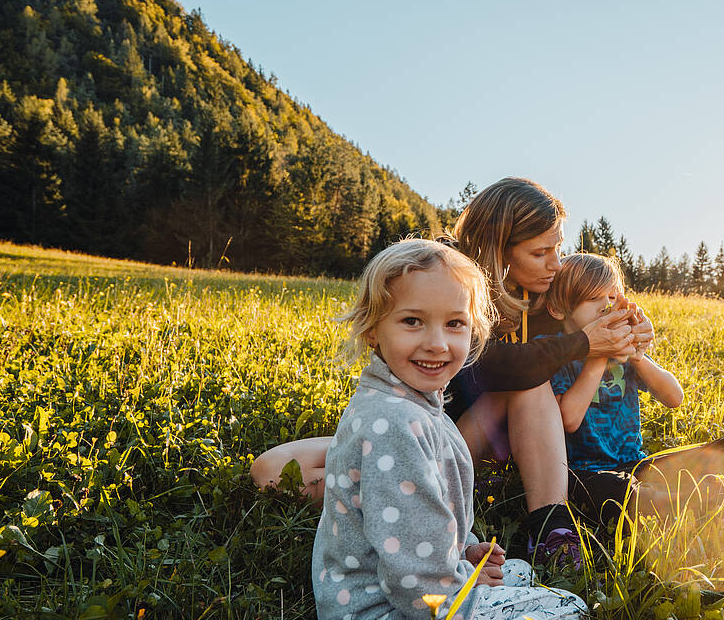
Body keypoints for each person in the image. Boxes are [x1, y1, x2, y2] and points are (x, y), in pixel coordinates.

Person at [251, 177, 649, 568]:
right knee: (271, 471)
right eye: (541, 252)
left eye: (556, 248)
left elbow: (585, 313)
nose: (555, 264)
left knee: (529, 381)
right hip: (420, 430)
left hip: (475, 437)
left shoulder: (543, 292)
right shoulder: (449, 284)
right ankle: (407, 488)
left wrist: (630, 326)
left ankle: (548, 523)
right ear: (499, 250)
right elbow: (495, 363)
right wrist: (583, 344)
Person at [294, 238, 589, 620]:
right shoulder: (393, 424)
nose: (436, 343)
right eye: (412, 322)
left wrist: (468, 554)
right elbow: (416, 579)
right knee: (563, 609)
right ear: (372, 329)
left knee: (517, 574)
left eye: (454, 324)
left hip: (378, 603)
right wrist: (463, 585)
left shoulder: (413, 405)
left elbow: (422, 517)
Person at [543, 253, 724, 526]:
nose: (606, 307)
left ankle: (686, 499)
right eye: (594, 299)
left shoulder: (624, 348)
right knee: (611, 491)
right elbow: (568, 419)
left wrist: (638, 356)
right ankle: (684, 503)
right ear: (559, 308)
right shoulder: (554, 350)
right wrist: (598, 356)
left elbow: (674, 398)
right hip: (585, 473)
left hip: (638, 465)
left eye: (612, 298)